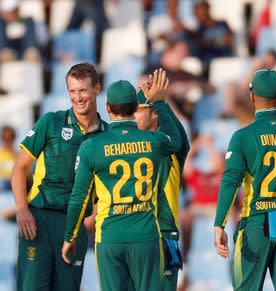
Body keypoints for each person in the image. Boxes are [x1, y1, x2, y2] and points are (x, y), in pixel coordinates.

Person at [62, 70, 181, 291]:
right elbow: (176, 141)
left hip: (109, 236)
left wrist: (70, 235)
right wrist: (160, 103)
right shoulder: (154, 141)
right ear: (136, 109)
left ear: (107, 108)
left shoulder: (92, 146)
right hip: (146, 235)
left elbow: (78, 198)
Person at [11, 62, 108, 291]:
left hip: (75, 227)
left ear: (97, 89)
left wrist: (93, 217)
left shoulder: (107, 135)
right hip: (38, 221)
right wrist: (22, 208)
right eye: (72, 91)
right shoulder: (51, 122)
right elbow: (19, 167)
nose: (78, 97)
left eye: (83, 90)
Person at [214, 69, 276, 290]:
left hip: (257, 221)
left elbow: (230, 181)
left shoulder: (243, 136)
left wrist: (220, 223)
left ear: (252, 97)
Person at [132, 84, 190, 290]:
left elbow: (182, 141)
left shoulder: (170, 148)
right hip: (135, 234)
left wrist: (161, 101)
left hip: (163, 233)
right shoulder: (128, 145)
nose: (132, 116)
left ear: (154, 114)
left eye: (137, 110)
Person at [0, 125, 19, 189]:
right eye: (6, 138)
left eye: (10, 138)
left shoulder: (19, 156)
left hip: (16, 186)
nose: (8, 141)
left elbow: (26, 175)